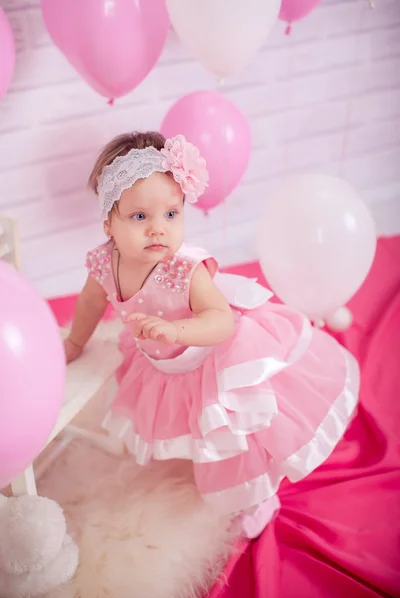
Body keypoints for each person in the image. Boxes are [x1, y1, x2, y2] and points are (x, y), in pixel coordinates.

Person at [64, 131, 359, 539]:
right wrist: (76, 341)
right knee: (182, 420)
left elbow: (219, 320)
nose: (158, 230)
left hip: (213, 353)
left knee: (234, 433)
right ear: (108, 225)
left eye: (171, 214)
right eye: (139, 217)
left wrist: (175, 329)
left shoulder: (185, 269)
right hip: (163, 356)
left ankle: (254, 495)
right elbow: (90, 304)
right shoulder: (103, 262)